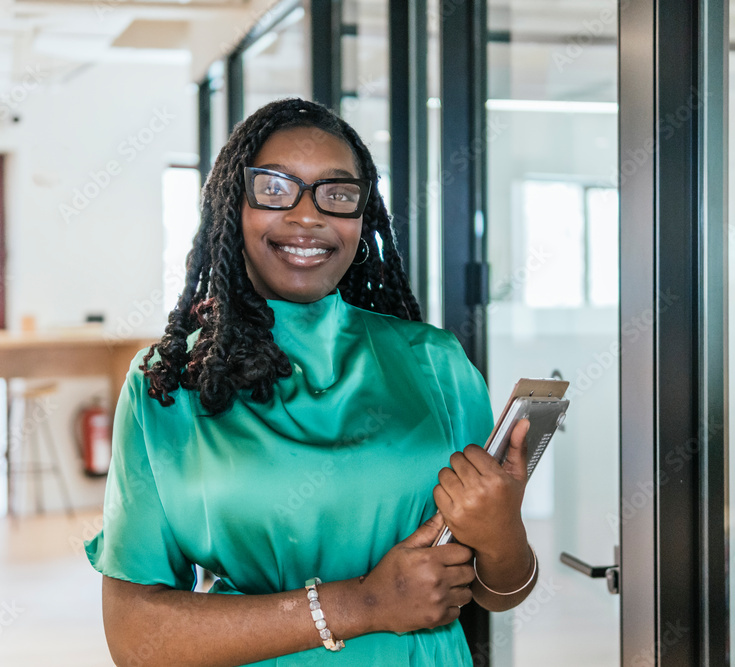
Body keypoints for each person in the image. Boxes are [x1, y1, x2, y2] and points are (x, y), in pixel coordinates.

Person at [84, 97, 536, 667]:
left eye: (337, 193)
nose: (307, 216)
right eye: (274, 189)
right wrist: (365, 603)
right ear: (233, 205)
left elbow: (499, 589)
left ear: (362, 215)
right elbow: (134, 636)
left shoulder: (436, 364)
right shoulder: (169, 385)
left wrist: (502, 532)